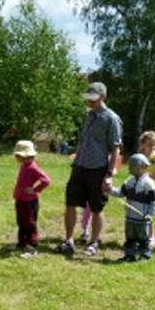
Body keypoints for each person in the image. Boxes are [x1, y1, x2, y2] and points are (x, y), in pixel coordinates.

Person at [56, 82, 123, 257]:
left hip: (98, 169)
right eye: (88, 99)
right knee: (70, 203)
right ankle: (68, 240)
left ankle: (93, 243)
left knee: (96, 208)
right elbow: (82, 140)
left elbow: (115, 148)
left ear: (103, 97)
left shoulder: (112, 119)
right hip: (79, 166)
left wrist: (109, 174)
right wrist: (76, 157)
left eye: (93, 99)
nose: (89, 102)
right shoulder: (88, 115)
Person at [111, 154, 155, 262]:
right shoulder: (130, 181)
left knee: (143, 239)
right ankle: (129, 255)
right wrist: (109, 189)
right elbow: (121, 192)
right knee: (130, 238)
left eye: (133, 166)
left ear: (143, 166)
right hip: (130, 217)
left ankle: (145, 256)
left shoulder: (149, 183)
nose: (131, 168)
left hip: (142, 218)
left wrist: (150, 214)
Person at [12, 140, 51, 258]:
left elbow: (46, 180)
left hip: (29, 202)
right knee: (21, 222)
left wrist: (35, 190)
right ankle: (21, 243)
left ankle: (32, 247)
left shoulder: (32, 167)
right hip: (21, 200)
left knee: (29, 223)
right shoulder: (24, 165)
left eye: (17, 155)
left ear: (24, 156)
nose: (16, 157)